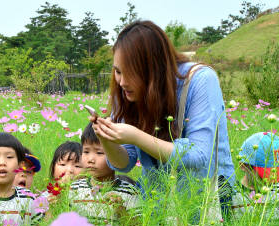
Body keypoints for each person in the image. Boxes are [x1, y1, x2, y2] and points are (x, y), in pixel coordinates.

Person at [91, 20, 236, 206]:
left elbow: (199, 155)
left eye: (131, 73)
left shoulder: (200, 80)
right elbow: (124, 164)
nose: (122, 82)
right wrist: (105, 137)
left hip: (207, 201)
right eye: (118, 72)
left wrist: (136, 136)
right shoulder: (126, 91)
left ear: (154, 70)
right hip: (157, 202)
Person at [69, 123, 140, 225]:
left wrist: (120, 210)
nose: (90, 159)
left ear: (116, 154)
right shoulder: (75, 187)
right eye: (86, 151)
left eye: (99, 153)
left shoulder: (129, 191)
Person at [231, 132, 279, 220]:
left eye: (276, 172)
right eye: (266, 173)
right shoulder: (233, 195)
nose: (272, 178)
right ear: (243, 166)